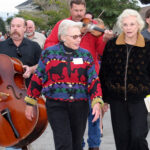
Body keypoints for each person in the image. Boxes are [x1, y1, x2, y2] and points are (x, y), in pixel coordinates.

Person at [24, 19, 103, 150]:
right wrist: (30, 103)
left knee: (77, 143)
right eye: (74, 37)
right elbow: (37, 78)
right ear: (62, 37)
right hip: (56, 105)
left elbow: (93, 80)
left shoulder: (85, 55)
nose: (79, 39)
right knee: (63, 143)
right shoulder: (49, 54)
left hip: (80, 105)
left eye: (79, 36)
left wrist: (96, 101)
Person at [44, 1, 113, 149]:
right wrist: (67, 41)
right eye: (76, 10)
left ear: (85, 9)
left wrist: (106, 40)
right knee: (76, 117)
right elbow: (48, 45)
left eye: (82, 10)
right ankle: (78, 144)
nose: (79, 14)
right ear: (70, 9)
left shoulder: (93, 26)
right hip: (70, 78)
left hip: (90, 75)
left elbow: (101, 52)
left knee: (94, 113)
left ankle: (94, 145)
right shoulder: (63, 25)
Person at [99, 9, 149, 150]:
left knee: (138, 137)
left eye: (132, 24)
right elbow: (104, 73)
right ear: (121, 26)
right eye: (125, 24)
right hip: (117, 100)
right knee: (122, 139)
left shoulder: (147, 46)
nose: (128, 28)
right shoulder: (112, 45)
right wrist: (104, 98)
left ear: (138, 25)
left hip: (140, 99)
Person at [0, 17, 42, 150]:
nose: (15, 29)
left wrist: (31, 69)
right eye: (12, 26)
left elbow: (42, 65)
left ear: (25, 28)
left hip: (29, 93)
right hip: (7, 96)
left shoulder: (34, 46)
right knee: (12, 132)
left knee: (27, 130)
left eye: (18, 26)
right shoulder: (1, 46)